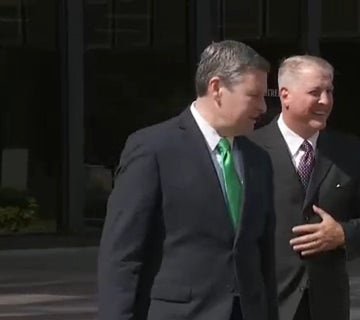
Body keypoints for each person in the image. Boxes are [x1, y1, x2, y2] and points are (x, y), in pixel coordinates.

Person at [97, 40, 278, 320]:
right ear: (216, 88)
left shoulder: (258, 160)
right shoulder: (153, 149)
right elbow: (121, 255)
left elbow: (263, 256)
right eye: (253, 95)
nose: (263, 107)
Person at [248, 55, 360, 320]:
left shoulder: (350, 152)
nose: (325, 101)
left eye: (329, 92)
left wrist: (343, 234)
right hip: (266, 304)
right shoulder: (249, 150)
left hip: (327, 306)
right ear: (285, 95)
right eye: (315, 92)